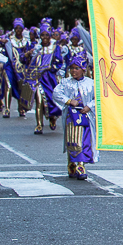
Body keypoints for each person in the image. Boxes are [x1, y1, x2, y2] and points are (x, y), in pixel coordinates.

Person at [52, 52, 97, 180]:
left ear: (83, 70)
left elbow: (98, 97)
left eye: (76, 68)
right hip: (71, 118)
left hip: (86, 118)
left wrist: (89, 106)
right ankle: (72, 163)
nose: (73, 71)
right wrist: (69, 101)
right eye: (71, 68)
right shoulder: (66, 82)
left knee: (85, 141)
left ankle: (81, 165)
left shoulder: (91, 83)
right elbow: (56, 93)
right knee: (72, 140)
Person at [28, 26, 64, 134]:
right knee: (39, 101)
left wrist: (50, 68)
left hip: (50, 78)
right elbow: (29, 63)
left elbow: (59, 62)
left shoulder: (55, 48)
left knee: (52, 101)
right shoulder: (37, 48)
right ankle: (39, 124)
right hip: (38, 78)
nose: (44, 37)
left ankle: (53, 117)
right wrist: (28, 55)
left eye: (47, 35)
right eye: (42, 35)